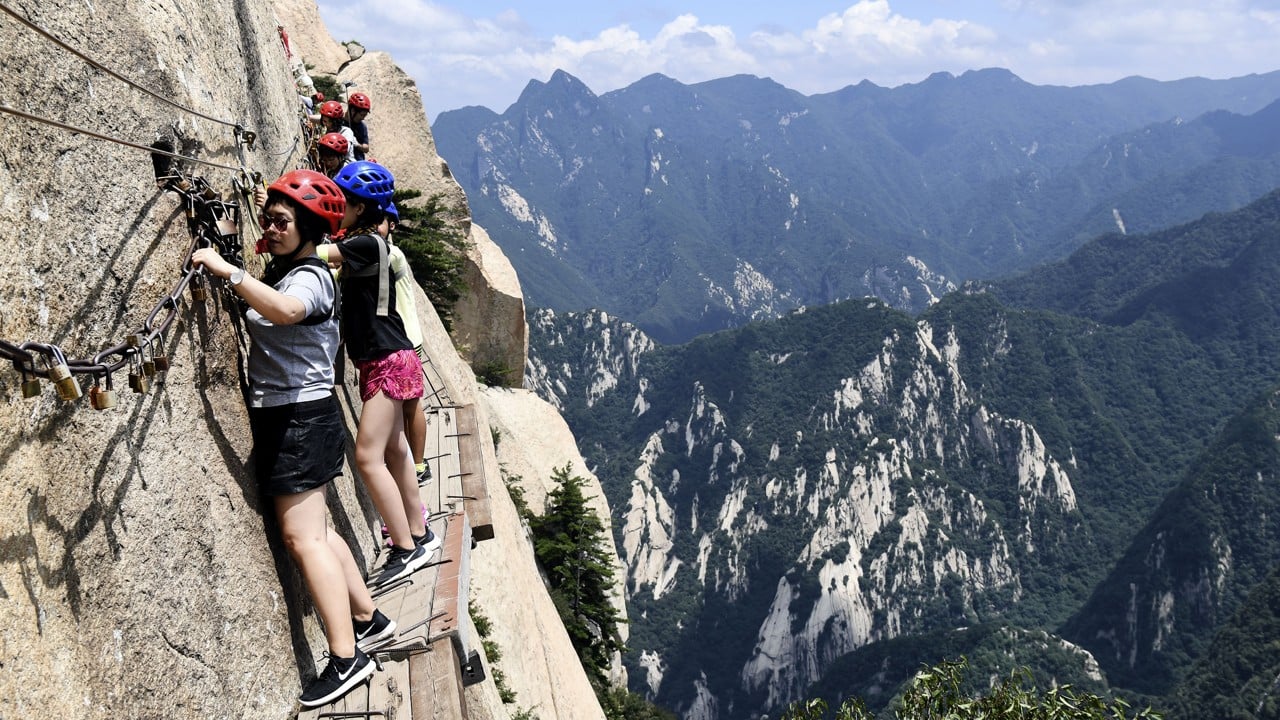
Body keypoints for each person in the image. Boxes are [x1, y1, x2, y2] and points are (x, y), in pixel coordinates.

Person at [191, 170, 397, 708]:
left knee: (301, 538)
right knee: (319, 531)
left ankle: (347, 658)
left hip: (298, 419)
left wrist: (228, 270)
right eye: (270, 219)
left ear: (309, 229)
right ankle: (367, 617)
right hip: (303, 415)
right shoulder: (290, 270)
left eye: (283, 222)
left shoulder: (311, 278)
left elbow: (285, 311)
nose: (272, 228)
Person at [322, 160, 441, 586]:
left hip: (386, 359)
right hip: (392, 357)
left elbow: (316, 254)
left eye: (342, 202)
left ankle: (405, 548)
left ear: (359, 207)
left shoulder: (367, 244)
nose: (337, 208)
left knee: (367, 457)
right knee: (395, 450)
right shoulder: (371, 243)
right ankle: (420, 533)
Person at [381, 202, 431, 485]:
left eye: (380, 221)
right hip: (404, 337)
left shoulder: (392, 254)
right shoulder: (386, 251)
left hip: (406, 339)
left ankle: (419, 465)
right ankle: (415, 462)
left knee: (411, 405)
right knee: (408, 405)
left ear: (392, 225)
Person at [346, 92, 372, 161]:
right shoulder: (338, 122)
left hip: (358, 162)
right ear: (353, 111)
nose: (363, 118)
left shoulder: (362, 126)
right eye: (362, 115)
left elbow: (366, 148)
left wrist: (357, 144)